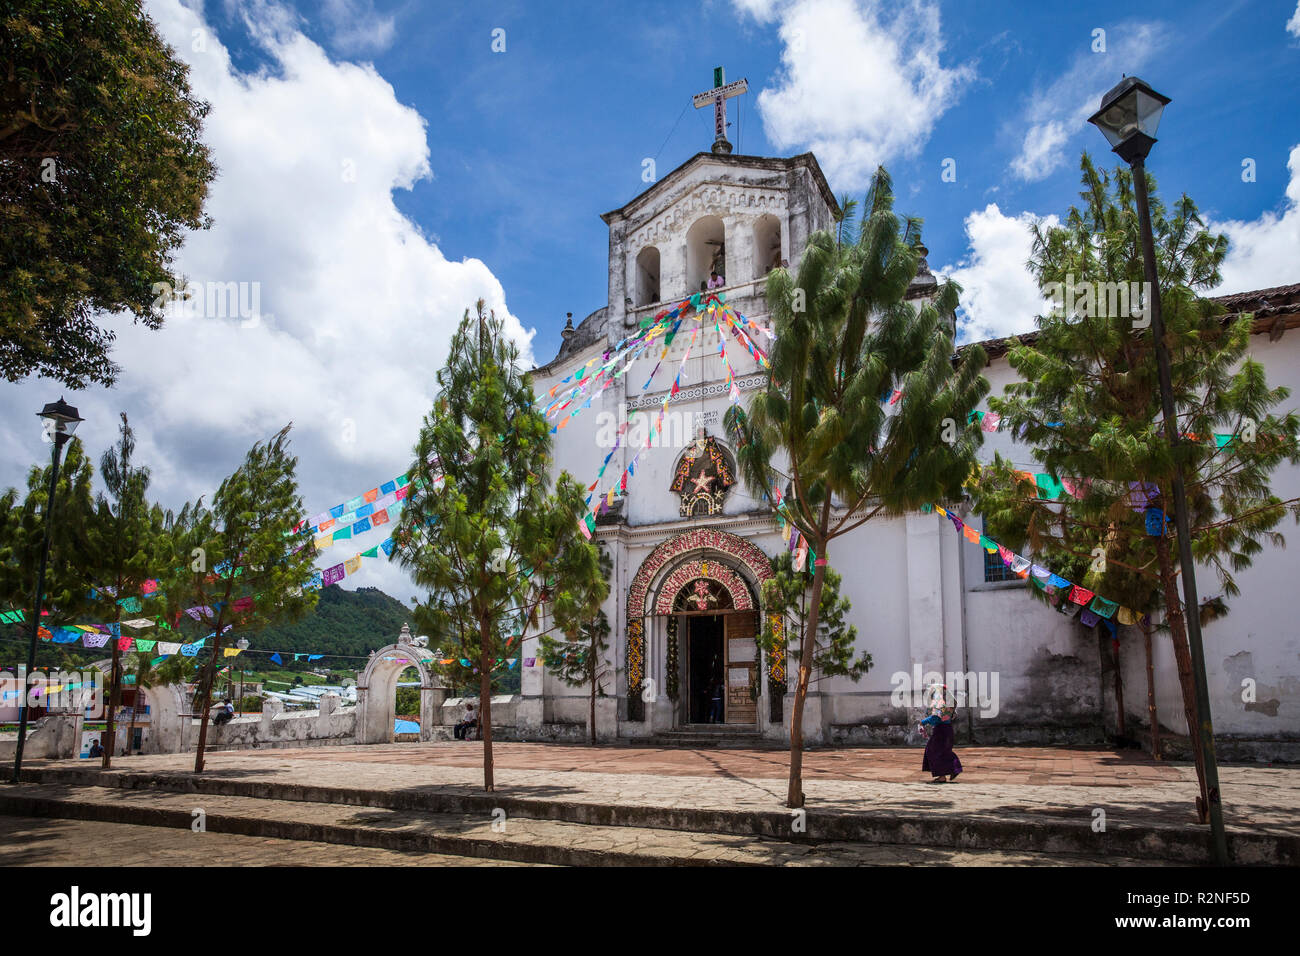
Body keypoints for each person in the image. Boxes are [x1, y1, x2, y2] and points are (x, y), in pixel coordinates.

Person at [919, 686, 962, 783]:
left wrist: (923, 722)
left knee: (933, 751)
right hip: (947, 730)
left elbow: (936, 718)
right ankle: (954, 769)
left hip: (940, 731)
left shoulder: (940, 703)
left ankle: (945, 774)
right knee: (944, 751)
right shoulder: (948, 703)